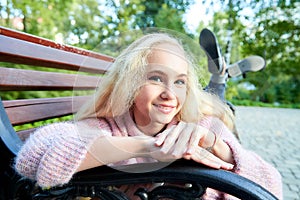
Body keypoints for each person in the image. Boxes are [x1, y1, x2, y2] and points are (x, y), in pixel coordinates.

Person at [14, 33, 282, 199]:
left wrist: (218, 146)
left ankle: (219, 81)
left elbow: (270, 184)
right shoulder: (108, 127)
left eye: (179, 82)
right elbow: (33, 158)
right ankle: (219, 79)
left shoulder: (200, 125)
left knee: (221, 109)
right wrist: (152, 148)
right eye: (156, 78)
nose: (169, 94)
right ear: (130, 83)